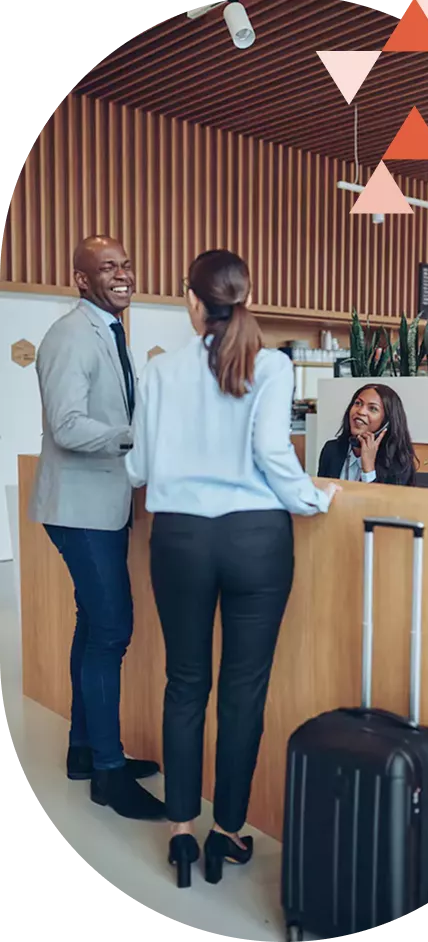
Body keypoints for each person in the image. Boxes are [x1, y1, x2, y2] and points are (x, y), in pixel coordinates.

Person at [125, 249, 340, 889]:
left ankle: (182, 833)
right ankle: (230, 833)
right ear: (244, 297)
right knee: (244, 690)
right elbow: (273, 452)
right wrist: (312, 498)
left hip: (181, 541)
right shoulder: (270, 365)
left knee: (185, 683)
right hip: (256, 540)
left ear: (192, 301)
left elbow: (137, 470)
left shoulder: (159, 371)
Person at [29, 235, 164, 821]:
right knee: (112, 631)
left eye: (125, 264)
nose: (121, 274)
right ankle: (108, 772)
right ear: (81, 280)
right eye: (106, 268)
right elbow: (67, 426)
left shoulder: (109, 332)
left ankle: (84, 752)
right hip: (79, 510)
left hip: (102, 506)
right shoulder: (69, 336)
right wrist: (138, 437)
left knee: (93, 628)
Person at [318, 383, 418, 486]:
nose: (361, 411)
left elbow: (384, 502)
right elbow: (320, 496)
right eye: (358, 403)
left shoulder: (398, 463)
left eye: (373, 408)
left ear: (386, 423)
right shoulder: (331, 450)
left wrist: (369, 470)